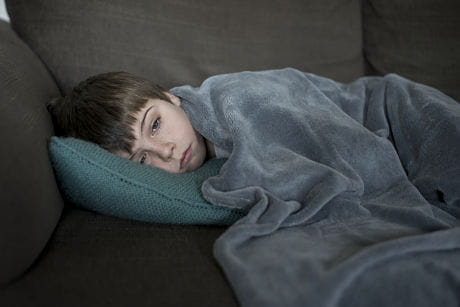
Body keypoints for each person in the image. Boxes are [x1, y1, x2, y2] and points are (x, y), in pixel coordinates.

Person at [47, 71, 216, 174]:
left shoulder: (224, 105)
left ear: (169, 97)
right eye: (142, 159)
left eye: (155, 125)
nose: (165, 152)